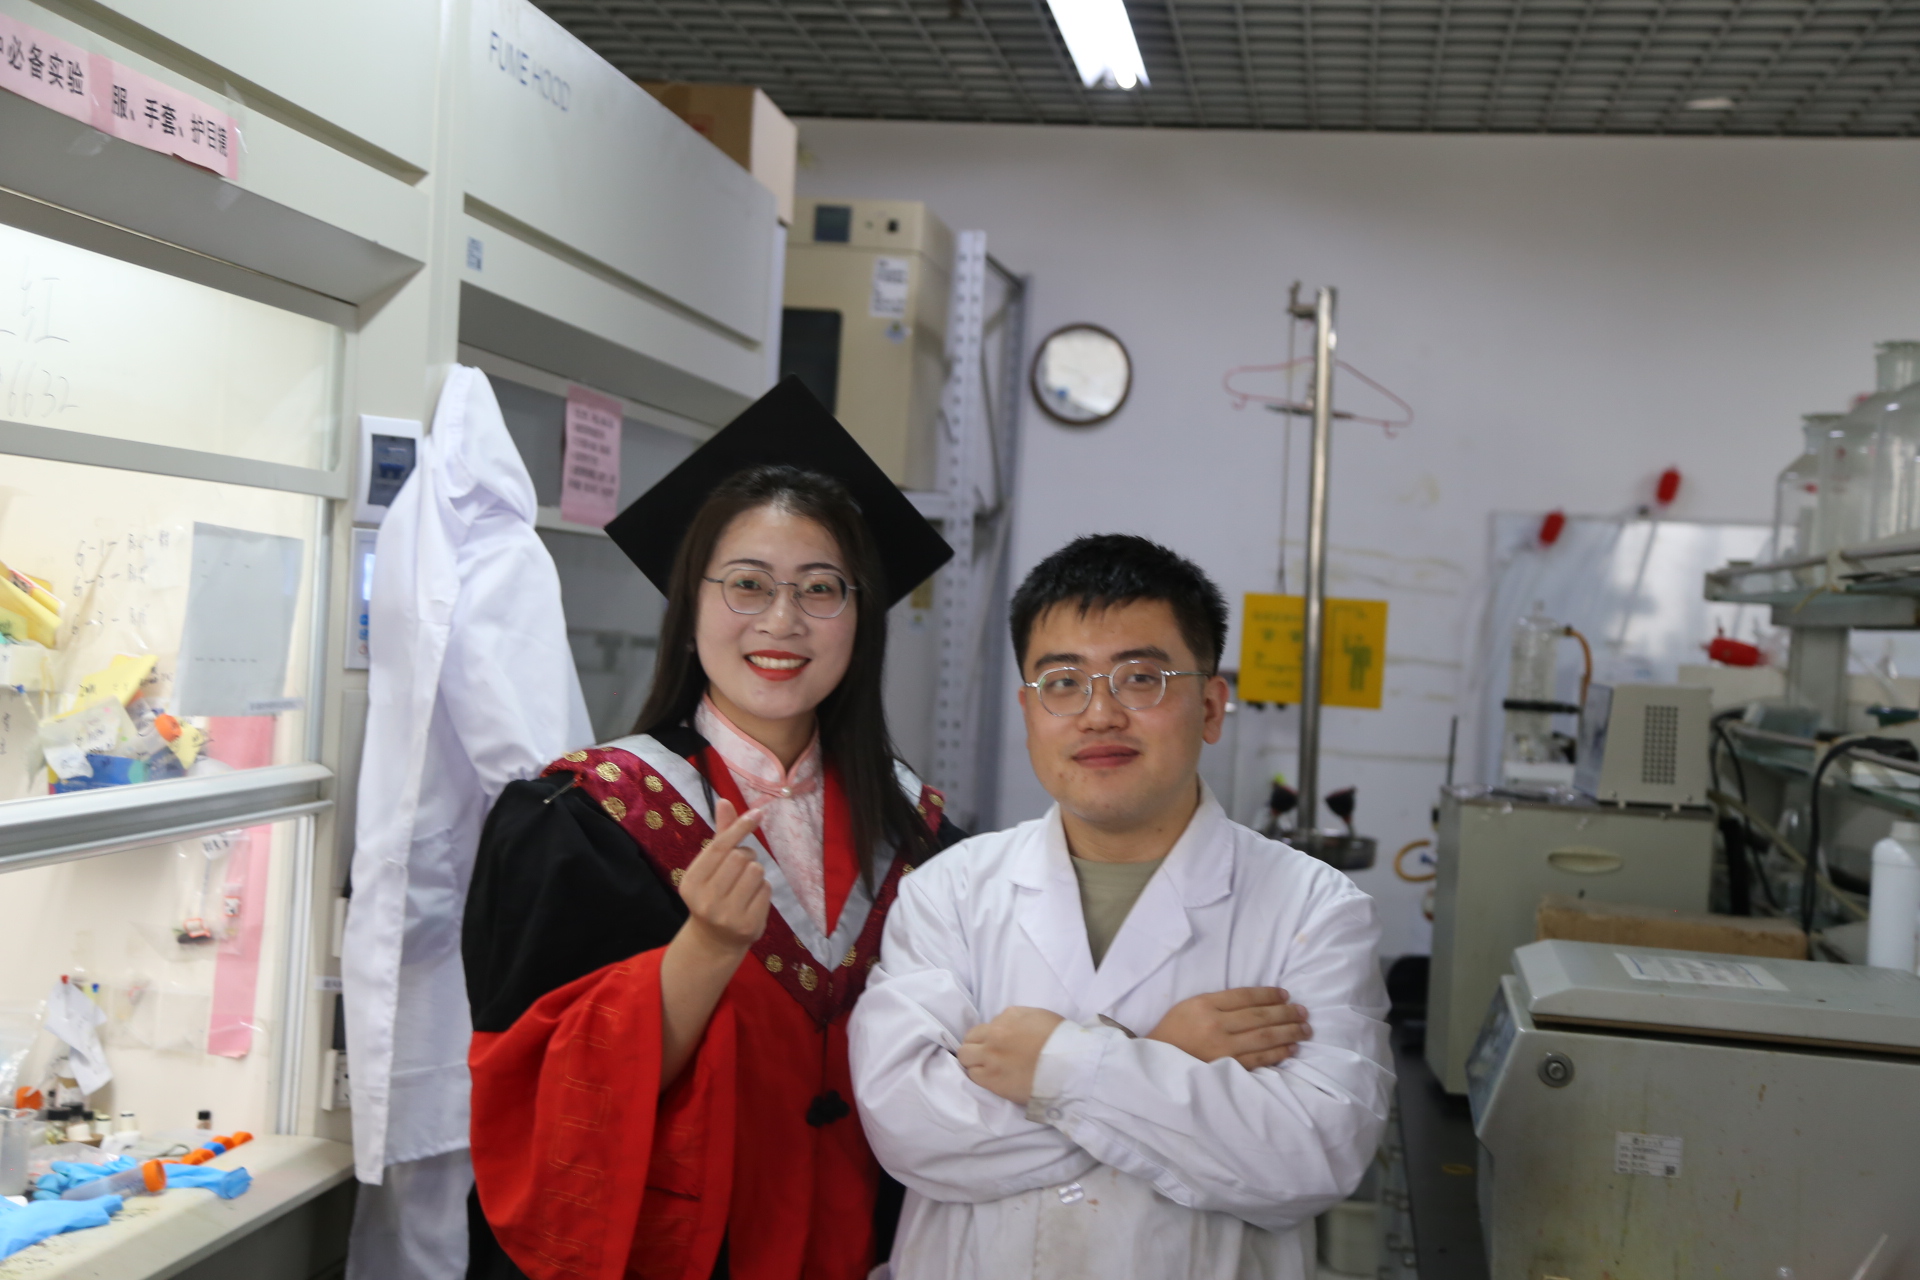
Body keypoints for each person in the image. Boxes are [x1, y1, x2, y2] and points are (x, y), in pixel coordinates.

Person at [462, 378, 963, 1280]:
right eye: (747, 585)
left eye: (821, 588)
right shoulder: (584, 819)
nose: (782, 620)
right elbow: (539, 1102)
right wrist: (703, 949)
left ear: (860, 620)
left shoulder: (919, 833)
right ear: (689, 612)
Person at [848, 534, 1394, 1280]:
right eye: (1063, 682)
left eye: (1142, 679)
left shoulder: (1316, 910)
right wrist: (1155, 1051)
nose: (1099, 713)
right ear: (1029, 711)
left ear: (1211, 706)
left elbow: (1312, 1158)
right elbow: (911, 1132)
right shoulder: (949, 892)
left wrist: (1055, 1066)